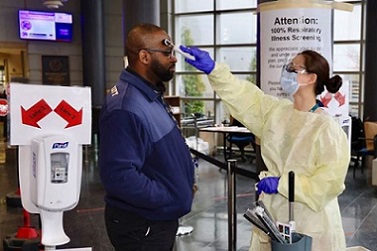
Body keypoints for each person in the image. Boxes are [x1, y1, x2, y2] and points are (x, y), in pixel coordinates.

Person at [179, 46, 350, 251]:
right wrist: (214, 70)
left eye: (293, 68)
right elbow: (244, 97)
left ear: (311, 78)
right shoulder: (276, 112)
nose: (286, 72)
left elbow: (329, 182)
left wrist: (282, 184)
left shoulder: (326, 128)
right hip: (276, 216)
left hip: (311, 222)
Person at [98, 23, 195, 251]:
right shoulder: (125, 107)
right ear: (144, 56)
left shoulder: (149, 95)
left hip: (156, 220)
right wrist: (169, 195)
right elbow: (119, 176)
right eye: (167, 53)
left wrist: (181, 183)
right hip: (142, 226)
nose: (174, 59)